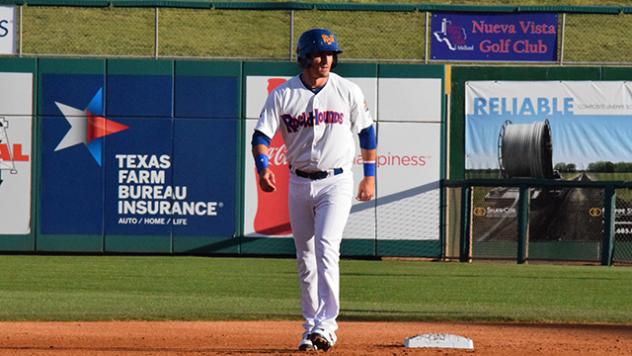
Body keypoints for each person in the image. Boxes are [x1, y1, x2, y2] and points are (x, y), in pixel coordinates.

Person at [251, 28, 377, 352]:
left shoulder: (347, 90)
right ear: (304, 57)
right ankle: (310, 328)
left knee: (325, 247)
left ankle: (328, 326)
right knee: (305, 258)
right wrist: (263, 168)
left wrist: (369, 176)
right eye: (320, 54)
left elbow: (367, 133)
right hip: (298, 182)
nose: (326, 59)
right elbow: (261, 137)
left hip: (336, 181)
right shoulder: (283, 94)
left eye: (331, 54)